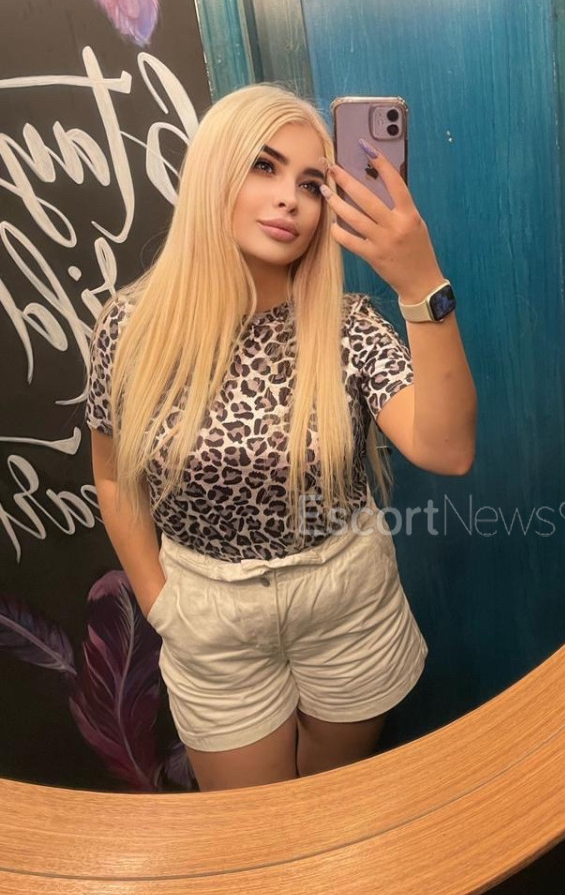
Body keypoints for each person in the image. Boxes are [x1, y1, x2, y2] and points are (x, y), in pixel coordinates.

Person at [85, 83, 477, 792]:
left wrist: (422, 285)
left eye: (311, 183)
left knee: (331, 803)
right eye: (263, 167)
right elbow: (112, 475)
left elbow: (447, 450)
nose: (289, 199)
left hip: (345, 599)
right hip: (209, 612)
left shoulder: (349, 325)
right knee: (255, 828)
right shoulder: (132, 329)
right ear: (214, 172)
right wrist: (158, 601)